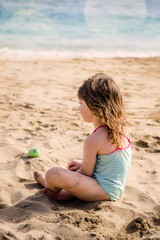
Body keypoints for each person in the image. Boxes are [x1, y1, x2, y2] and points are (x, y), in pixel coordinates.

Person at [34, 73, 131, 202]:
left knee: (54, 174)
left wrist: (69, 177)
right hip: (115, 187)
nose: (79, 108)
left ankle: (51, 188)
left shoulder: (93, 140)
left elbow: (85, 174)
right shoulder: (120, 130)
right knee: (75, 165)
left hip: (102, 191)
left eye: (81, 104)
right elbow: (112, 162)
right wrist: (81, 164)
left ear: (95, 109)